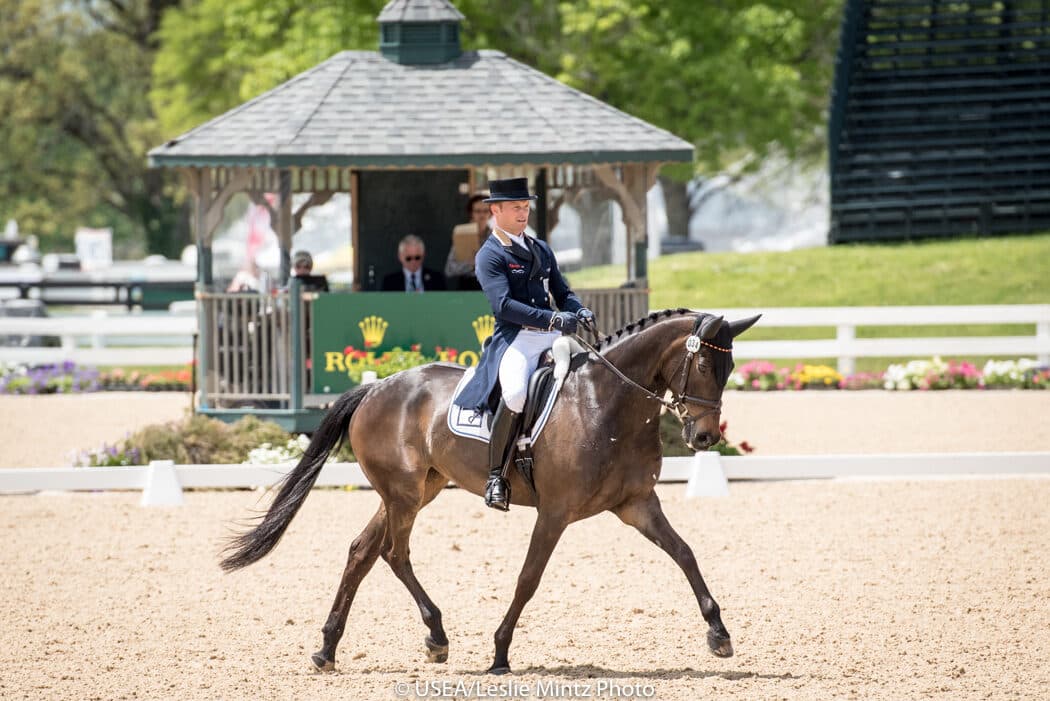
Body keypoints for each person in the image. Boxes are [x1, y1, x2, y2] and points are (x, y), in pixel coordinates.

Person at [453, 177, 595, 511]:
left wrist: (578, 309)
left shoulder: (540, 248)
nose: (522, 213)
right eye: (515, 207)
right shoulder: (490, 255)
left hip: (551, 336)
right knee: (516, 393)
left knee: (592, 377)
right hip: (517, 339)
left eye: (526, 207)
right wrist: (553, 319)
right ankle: (496, 477)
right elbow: (503, 305)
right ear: (496, 210)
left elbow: (562, 291)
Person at [443, 194, 490, 290]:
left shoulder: (496, 238)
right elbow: (449, 269)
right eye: (478, 211)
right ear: (471, 213)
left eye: (486, 211)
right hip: (467, 288)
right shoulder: (462, 235)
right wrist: (470, 264)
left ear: (491, 213)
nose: (482, 215)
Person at [381, 235, 447, 292]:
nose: (413, 262)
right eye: (408, 258)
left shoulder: (437, 279)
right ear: (400, 257)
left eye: (417, 257)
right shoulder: (389, 282)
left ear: (423, 256)